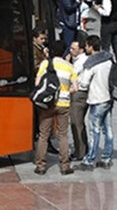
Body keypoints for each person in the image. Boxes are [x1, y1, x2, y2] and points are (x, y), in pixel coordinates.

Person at [34, 41, 77, 176]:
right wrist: (65, 92)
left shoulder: (45, 64)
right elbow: (75, 88)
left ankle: (41, 166)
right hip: (63, 105)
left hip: (48, 104)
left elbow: (37, 83)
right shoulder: (69, 66)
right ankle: (65, 166)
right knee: (63, 135)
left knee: (43, 135)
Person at [76, 35, 115, 170]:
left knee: (94, 130)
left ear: (91, 47)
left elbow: (84, 84)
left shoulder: (91, 63)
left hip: (97, 100)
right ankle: (106, 158)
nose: (85, 48)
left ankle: (89, 160)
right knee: (108, 129)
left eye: (86, 46)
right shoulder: (108, 59)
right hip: (109, 99)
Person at [66, 37, 89, 161]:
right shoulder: (77, 59)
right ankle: (83, 148)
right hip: (78, 94)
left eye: (73, 49)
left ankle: (80, 152)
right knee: (78, 122)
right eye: (70, 48)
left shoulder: (81, 61)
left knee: (76, 123)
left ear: (81, 50)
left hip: (79, 94)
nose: (70, 51)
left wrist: (66, 63)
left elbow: (71, 74)